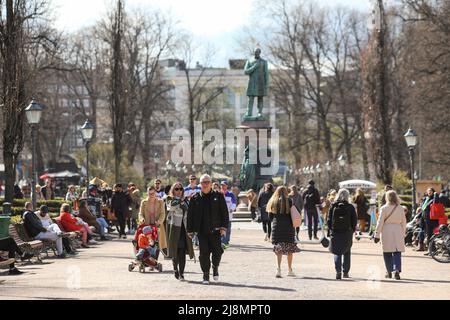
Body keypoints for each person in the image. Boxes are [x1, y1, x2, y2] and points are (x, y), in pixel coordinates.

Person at [187, 174, 229, 285]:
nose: (205, 184)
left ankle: (215, 267)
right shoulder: (195, 198)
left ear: (211, 183)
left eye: (207, 182)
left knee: (217, 253)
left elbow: (224, 213)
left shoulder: (218, 196)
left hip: (216, 231)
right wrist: (190, 230)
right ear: (200, 184)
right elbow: (190, 215)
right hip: (201, 232)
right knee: (203, 254)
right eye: (203, 182)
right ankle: (206, 274)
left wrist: (224, 228)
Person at [267, 186, 301, 278]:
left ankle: (278, 269)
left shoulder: (273, 201)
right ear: (286, 192)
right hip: (288, 227)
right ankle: (290, 270)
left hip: (277, 227)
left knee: (279, 249)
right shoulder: (290, 201)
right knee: (290, 249)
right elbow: (295, 212)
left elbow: (270, 217)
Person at [165, 182, 195, 281]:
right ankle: (175, 269)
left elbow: (189, 211)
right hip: (174, 228)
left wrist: (183, 202)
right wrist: (180, 202)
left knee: (182, 251)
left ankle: (181, 273)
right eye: (176, 189)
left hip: (183, 229)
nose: (179, 191)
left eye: (180, 189)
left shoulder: (186, 200)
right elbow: (171, 207)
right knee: (175, 251)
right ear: (173, 190)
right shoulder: (169, 199)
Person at [374, 190, 407, 280]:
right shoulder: (400, 208)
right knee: (397, 252)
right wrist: (403, 233)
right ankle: (397, 269)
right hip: (398, 230)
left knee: (387, 252)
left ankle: (389, 271)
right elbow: (404, 222)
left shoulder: (384, 208)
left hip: (386, 231)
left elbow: (380, 222)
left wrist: (376, 234)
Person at [327, 189, 358, 280]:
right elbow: (354, 220)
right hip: (347, 232)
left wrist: (331, 229)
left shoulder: (333, 205)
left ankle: (338, 271)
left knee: (337, 252)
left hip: (335, 231)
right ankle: (345, 272)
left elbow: (329, 219)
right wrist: (352, 230)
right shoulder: (350, 207)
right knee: (347, 252)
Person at [139, 186, 167, 254]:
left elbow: (162, 214)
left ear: (155, 193)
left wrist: (159, 222)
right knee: (146, 243)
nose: (151, 195)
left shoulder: (160, 202)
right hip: (146, 227)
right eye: (149, 193)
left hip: (157, 226)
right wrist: (142, 219)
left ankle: (155, 260)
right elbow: (140, 213)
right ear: (147, 193)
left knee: (157, 244)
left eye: (153, 193)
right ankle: (146, 259)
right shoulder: (144, 202)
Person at [417, 188, 440, 255]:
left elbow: (435, 203)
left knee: (430, 235)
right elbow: (422, 209)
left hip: (431, 220)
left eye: (431, 191)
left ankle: (432, 251)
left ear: (433, 192)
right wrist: (418, 217)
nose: (429, 192)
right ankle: (431, 250)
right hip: (424, 220)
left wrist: (436, 194)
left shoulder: (434, 198)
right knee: (428, 235)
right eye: (428, 191)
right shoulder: (425, 199)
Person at [220, 181, 237, 249]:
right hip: (220, 216)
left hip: (228, 215)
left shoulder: (231, 194)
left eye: (224, 185)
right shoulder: (219, 194)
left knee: (228, 229)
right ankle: (221, 242)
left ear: (227, 186)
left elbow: (234, 203)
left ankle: (226, 242)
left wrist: (231, 209)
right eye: (221, 185)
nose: (222, 186)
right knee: (220, 229)